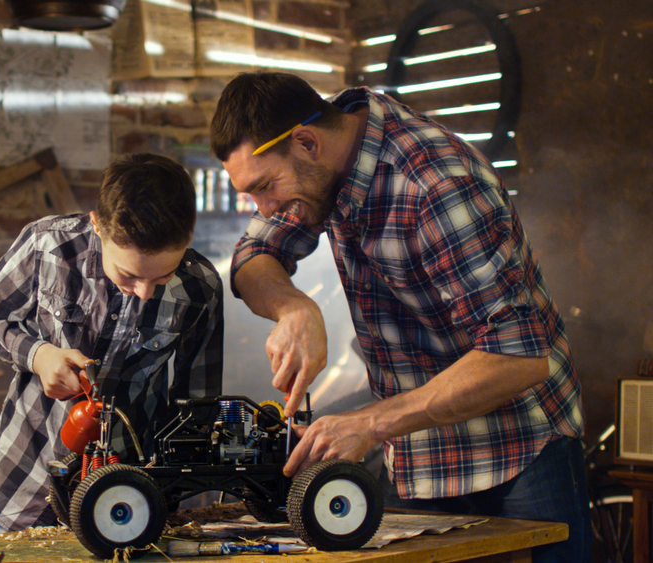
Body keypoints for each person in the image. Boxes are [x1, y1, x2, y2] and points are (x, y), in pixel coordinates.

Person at [209, 71, 587, 562]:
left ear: (307, 142)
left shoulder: (437, 185)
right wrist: (295, 307)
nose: (264, 207)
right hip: (417, 450)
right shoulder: (318, 165)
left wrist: (369, 422)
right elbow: (254, 255)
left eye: (264, 187)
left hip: (517, 447)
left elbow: (519, 357)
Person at [0, 153, 224, 532]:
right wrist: (39, 355)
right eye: (128, 275)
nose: (145, 293)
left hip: (128, 494)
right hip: (24, 479)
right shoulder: (47, 244)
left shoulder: (201, 287)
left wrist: (174, 493)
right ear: (98, 225)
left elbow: (195, 405)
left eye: (162, 277)